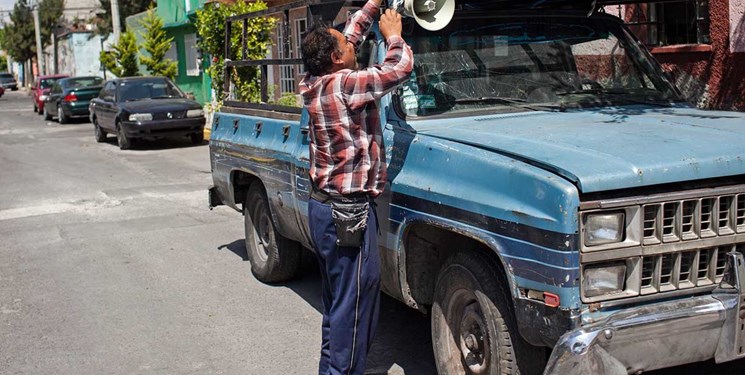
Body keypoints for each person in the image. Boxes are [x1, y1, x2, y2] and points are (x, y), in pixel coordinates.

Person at [299, 1, 413, 374]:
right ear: (336, 58)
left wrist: (372, 7)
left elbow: (348, 36)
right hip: (349, 213)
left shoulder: (312, 81)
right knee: (357, 304)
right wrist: (393, 35)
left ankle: (329, 370)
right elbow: (398, 68)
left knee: (338, 301)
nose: (353, 44)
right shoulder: (348, 84)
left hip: (322, 208)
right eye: (345, 46)